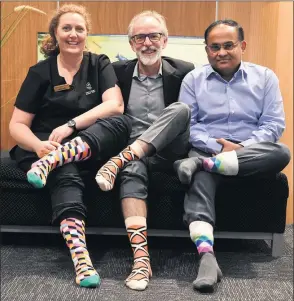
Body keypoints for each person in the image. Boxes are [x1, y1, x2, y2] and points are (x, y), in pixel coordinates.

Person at [9, 4, 132, 288]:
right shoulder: (40, 72)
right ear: (55, 33)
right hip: (44, 146)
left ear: (87, 34)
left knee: (121, 123)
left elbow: (115, 105)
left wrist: (71, 125)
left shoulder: (98, 63)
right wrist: (40, 147)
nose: (73, 34)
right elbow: (16, 125)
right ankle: (81, 259)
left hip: (88, 142)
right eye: (67, 28)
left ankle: (55, 160)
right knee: (66, 173)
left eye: (80, 29)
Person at [173, 19, 291, 292]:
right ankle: (207, 258)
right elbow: (189, 125)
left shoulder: (265, 77)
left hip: (251, 152)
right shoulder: (193, 80)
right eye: (215, 47)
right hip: (208, 147)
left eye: (229, 45)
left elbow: (273, 124)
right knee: (200, 181)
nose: (221, 52)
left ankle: (201, 164)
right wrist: (218, 149)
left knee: (281, 152)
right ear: (206, 50)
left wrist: (243, 148)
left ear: (243, 45)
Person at [95, 11, 194, 291]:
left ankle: (119, 160)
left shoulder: (186, 71)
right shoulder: (117, 74)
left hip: (171, 150)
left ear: (165, 40)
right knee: (132, 170)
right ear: (131, 43)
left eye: (154, 36)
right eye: (140, 37)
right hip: (133, 153)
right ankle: (141, 260)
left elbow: (195, 117)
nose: (147, 42)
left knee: (181, 109)